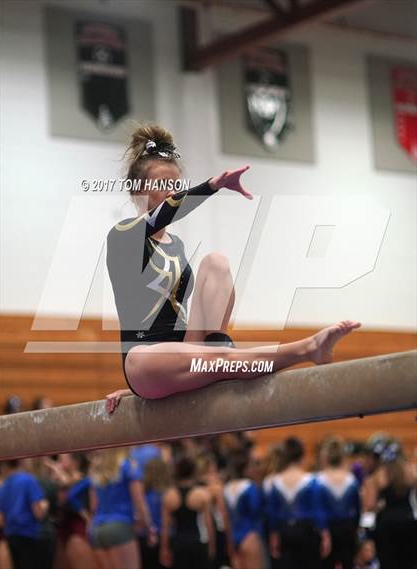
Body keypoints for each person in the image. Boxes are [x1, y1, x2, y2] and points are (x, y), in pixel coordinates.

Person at [104, 123, 361, 406]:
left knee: (216, 262)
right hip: (145, 358)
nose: (170, 193)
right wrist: (213, 186)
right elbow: (163, 215)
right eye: (162, 185)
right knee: (217, 361)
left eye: (175, 185)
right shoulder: (122, 235)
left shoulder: (176, 245)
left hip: (187, 353)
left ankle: (219, 347)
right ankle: (308, 348)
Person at [264, 437, 330, 569]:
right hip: (307, 533)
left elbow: (272, 513)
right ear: (302, 456)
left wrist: (273, 535)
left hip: (285, 533)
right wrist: (325, 534)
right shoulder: (311, 481)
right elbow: (318, 510)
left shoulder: (275, 482)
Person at [88, 448, 155, 569]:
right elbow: (139, 502)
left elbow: (93, 506)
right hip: (119, 526)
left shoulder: (97, 468)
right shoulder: (128, 466)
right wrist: (149, 527)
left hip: (97, 529)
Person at [363, 438, 417, 569]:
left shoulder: (378, 476)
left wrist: (379, 506)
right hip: (408, 521)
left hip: (386, 524)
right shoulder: (411, 471)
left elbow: (369, 506)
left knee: (388, 563)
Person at [160, 455, 214, 569]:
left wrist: (164, 548)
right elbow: (208, 523)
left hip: (179, 543)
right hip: (197, 541)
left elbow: (165, 526)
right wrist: (211, 546)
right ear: (193, 471)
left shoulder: (169, 496)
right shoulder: (202, 494)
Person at [317, 437, 361, 569]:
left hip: (327, 529)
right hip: (347, 529)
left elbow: (317, 509)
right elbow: (357, 510)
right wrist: (355, 528)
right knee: (348, 563)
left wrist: (322, 530)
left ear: (325, 457)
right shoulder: (350, 479)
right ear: (343, 457)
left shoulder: (319, 479)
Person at [0, 460, 48, 569]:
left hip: (11, 535)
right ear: (21, 462)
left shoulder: (3, 486)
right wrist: (45, 507)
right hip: (28, 533)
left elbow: (0, 520)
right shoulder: (28, 480)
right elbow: (38, 512)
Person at [223, 452, 265, 569]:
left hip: (233, 536)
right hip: (249, 535)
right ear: (245, 469)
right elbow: (256, 510)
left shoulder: (226, 488)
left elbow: (226, 517)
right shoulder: (250, 486)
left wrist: (229, 540)